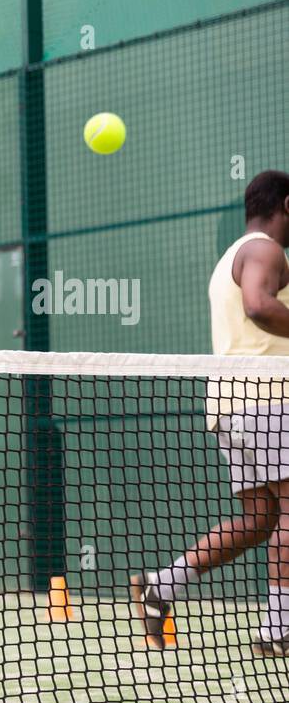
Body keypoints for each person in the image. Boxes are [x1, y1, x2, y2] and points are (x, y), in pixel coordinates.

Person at [132, 170, 289, 656]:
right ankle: (278, 627)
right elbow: (259, 306)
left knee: (260, 518)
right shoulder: (266, 251)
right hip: (271, 399)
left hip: (230, 407)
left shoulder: (230, 258)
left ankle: (163, 584)